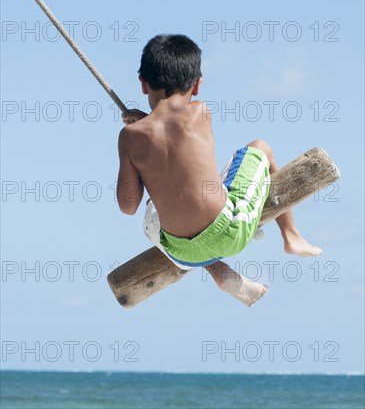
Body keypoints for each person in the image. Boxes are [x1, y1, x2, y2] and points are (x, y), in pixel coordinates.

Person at [116, 34, 322, 306]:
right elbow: (171, 133)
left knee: (155, 211)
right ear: (198, 85)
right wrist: (145, 122)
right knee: (261, 147)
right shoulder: (201, 112)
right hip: (229, 233)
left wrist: (136, 130)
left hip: (180, 252)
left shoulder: (129, 138)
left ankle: (219, 271)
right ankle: (291, 236)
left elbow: (129, 206)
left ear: (143, 84)